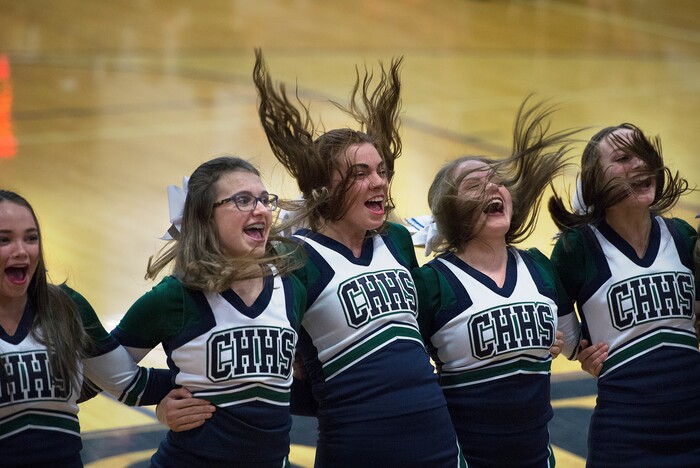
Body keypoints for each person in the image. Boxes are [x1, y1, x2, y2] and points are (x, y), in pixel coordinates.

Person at [253, 49, 466, 467]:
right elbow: (268, 365)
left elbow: (424, 333)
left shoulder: (399, 240)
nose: (379, 183)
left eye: (382, 171)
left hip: (436, 440)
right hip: (355, 446)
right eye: (360, 174)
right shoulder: (294, 257)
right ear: (323, 186)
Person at [410, 99, 580, 467]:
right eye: (474, 185)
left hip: (538, 457)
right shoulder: (433, 282)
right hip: (465, 457)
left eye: (498, 182)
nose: (493, 189)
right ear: (451, 209)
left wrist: (584, 354)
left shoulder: (539, 267)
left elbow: (576, 346)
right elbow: (406, 371)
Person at [111, 156, 308, 467]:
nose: (259, 209)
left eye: (263, 199)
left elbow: (273, 385)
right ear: (205, 217)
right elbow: (106, 373)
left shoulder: (291, 287)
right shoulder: (175, 297)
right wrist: (165, 398)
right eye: (243, 200)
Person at [548, 123, 700, 466]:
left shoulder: (682, 236)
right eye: (622, 158)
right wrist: (585, 352)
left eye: (644, 154)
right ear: (594, 180)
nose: (639, 164)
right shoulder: (577, 250)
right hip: (625, 434)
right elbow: (570, 340)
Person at [0, 190, 172, 468]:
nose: (21, 250)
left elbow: (129, 384)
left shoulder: (67, 306)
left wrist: (205, 380)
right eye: (4, 240)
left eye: (31, 238)